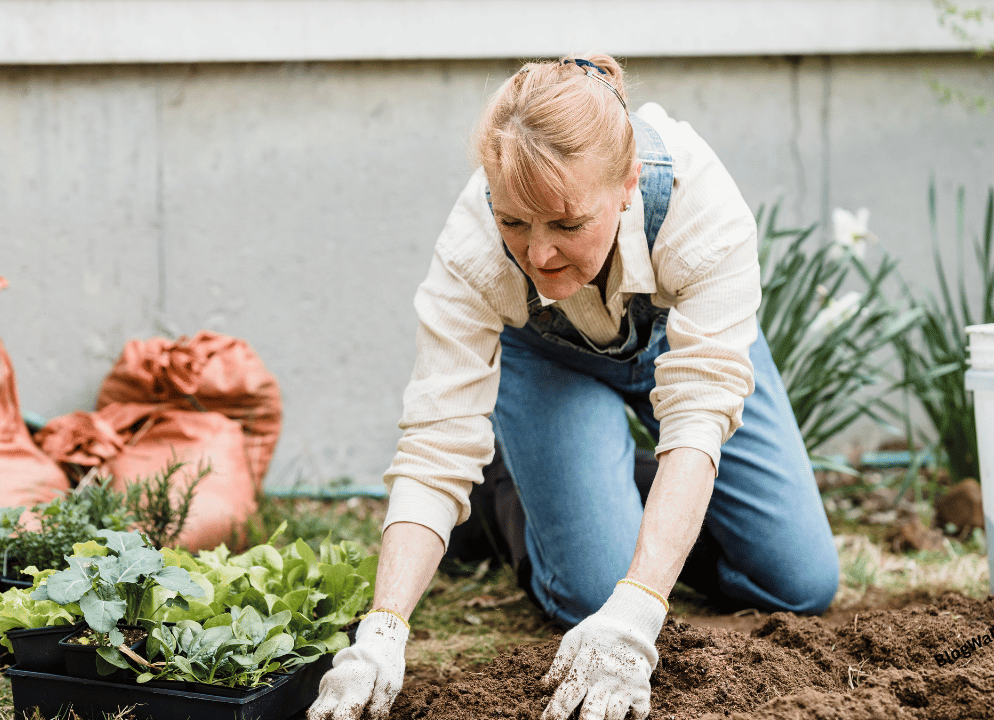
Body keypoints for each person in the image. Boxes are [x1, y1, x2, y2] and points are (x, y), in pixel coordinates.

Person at [309, 54, 839, 720]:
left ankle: (591, 481)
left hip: (685, 348)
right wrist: (381, 632)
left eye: (566, 224)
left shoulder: (700, 207)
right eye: (514, 223)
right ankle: (511, 495)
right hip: (548, 361)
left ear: (626, 185)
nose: (538, 255)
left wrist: (641, 606)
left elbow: (699, 415)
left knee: (798, 584)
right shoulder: (471, 248)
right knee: (592, 591)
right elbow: (436, 445)